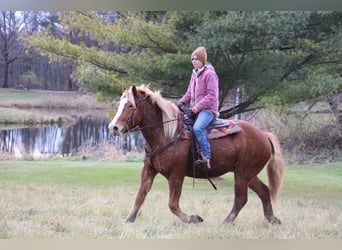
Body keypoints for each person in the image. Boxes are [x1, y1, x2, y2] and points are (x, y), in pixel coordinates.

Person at [177, 47, 219, 170]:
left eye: (197, 59)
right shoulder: (194, 73)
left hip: (208, 110)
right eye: (192, 59)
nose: (194, 61)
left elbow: (212, 96)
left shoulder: (209, 74)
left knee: (197, 128)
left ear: (202, 60)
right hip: (196, 109)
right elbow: (189, 93)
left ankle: (206, 157)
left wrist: (195, 108)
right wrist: (180, 103)